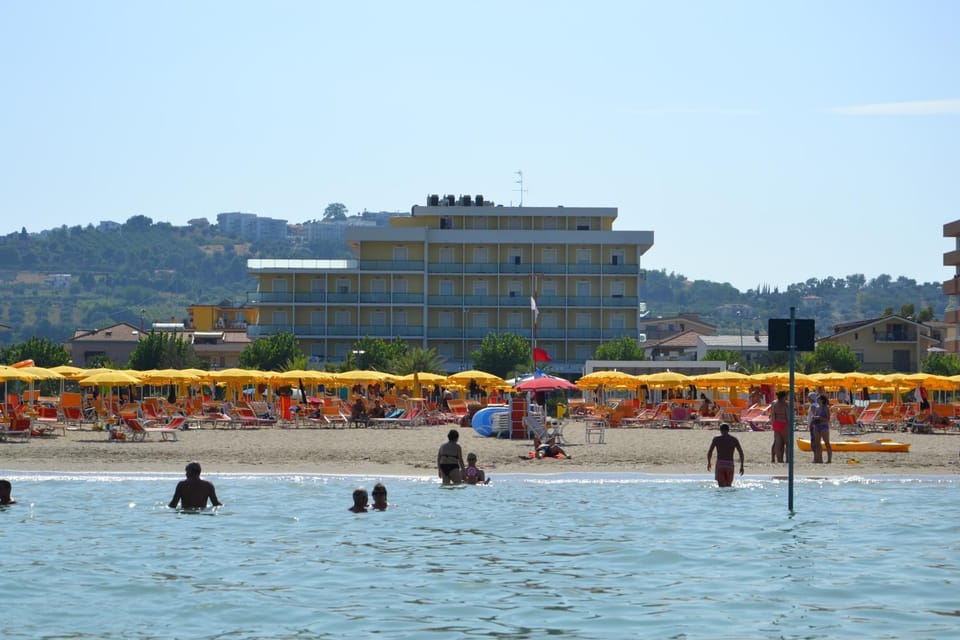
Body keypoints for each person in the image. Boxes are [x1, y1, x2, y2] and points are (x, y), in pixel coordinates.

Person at [707, 423, 744, 487]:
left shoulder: (716, 439)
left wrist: (709, 463)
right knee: (728, 486)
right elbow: (741, 453)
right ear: (728, 430)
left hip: (720, 464)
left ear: (720, 430)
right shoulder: (734, 439)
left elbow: (710, 451)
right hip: (729, 464)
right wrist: (742, 466)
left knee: (721, 487)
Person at [811, 394, 832, 464]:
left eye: (818, 399)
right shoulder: (817, 408)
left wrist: (819, 418)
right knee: (817, 443)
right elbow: (815, 416)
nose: (817, 399)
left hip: (824, 426)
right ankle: (819, 459)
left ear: (822, 400)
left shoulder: (826, 408)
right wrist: (814, 419)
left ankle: (829, 460)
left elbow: (828, 419)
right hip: (817, 426)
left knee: (827, 443)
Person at [770, 390, 789, 463]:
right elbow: (787, 415)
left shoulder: (774, 404)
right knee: (787, 443)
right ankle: (787, 459)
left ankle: (779, 459)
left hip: (776, 423)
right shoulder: (785, 405)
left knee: (777, 443)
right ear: (784, 397)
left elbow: (773, 415)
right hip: (783, 423)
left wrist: (773, 424)